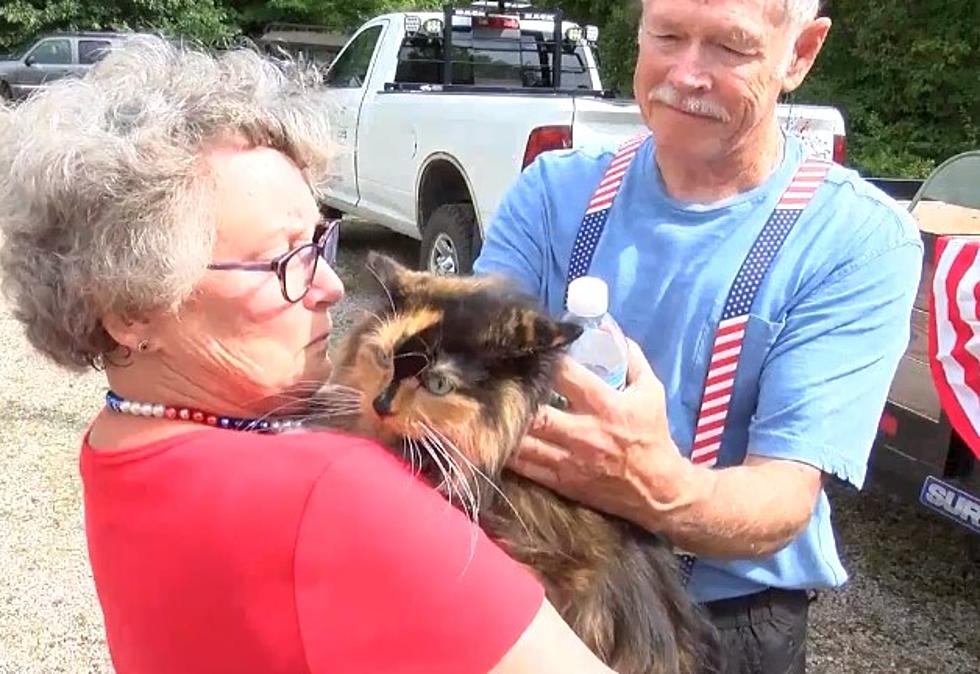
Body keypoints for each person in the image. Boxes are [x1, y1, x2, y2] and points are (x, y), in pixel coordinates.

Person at [0, 37, 617, 674]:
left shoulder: (120, 439)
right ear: (132, 311)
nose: (331, 284)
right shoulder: (335, 493)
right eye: (284, 259)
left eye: (321, 241)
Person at [474, 0, 923, 672]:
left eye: (729, 48)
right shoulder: (553, 193)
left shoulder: (855, 240)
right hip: (539, 585)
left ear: (798, 54)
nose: (686, 73)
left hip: (725, 623)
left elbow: (782, 496)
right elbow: (465, 370)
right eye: (668, 36)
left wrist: (654, 485)